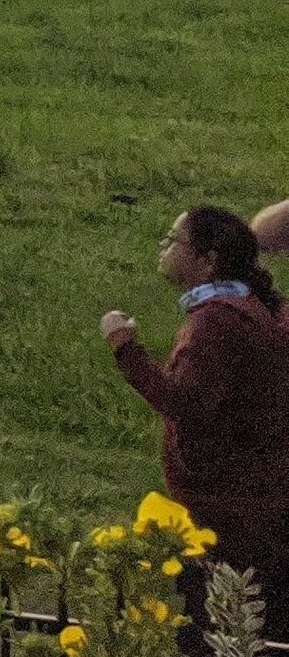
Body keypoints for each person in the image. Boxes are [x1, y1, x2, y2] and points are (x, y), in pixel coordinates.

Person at [104, 206, 289, 615]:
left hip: (229, 515)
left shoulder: (219, 321)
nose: (164, 248)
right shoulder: (252, 309)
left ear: (207, 261)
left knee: (221, 630)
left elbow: (184, 404)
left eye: (174, 241)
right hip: (256, 503)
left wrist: (124, 348)